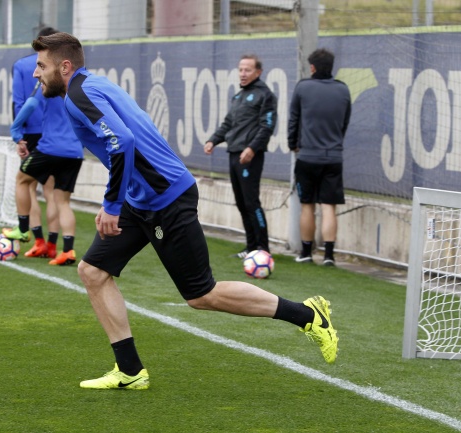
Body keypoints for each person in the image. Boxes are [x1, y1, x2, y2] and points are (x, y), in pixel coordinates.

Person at [31, 32, 337, 390]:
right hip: (142, 198)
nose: (36, 73)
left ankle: (308, 315)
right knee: (93, 272)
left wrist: (111, 205)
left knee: (201, 295)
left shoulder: (78, 94)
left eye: (41, 66)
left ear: (65, 67)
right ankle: (130, 370)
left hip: (165, 199)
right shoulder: (89, 86)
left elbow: (122, 141)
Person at [204, 54, 277, 258]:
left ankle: (263, 248)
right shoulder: (239, 97)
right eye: (241, 69)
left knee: (251, 202)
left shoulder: (265, 95)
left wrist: (252, 149)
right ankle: (250, 247)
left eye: (247, 70)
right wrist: (213, 140)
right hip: (234, 153)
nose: (243, 74)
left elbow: (267, 126)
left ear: (258, 72)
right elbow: (228, 123)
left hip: (250, 156)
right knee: (242, 202)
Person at [6, 84, 85, 266]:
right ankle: (67, 251)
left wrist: (16, 133)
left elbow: (30, 105)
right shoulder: (82, 86)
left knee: (22, 180)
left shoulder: (51, 84)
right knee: (62, 201)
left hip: (50, 148)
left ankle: (23, 229)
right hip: (74, 152)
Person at [288, 48, 351, 266]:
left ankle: (306, 253)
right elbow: (344, 123)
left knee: (307, 204)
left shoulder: (303, 87)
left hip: (307, 156)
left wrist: (292, 144)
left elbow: (293, 119)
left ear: (312, 67)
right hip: (333, 157)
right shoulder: (343, 90)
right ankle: (329, 256)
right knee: (328, 205)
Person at [11, 27, 60, 258]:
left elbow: (20, 102)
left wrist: (18, 134)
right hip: (54, 133)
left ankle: (36, 239)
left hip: (31, 132)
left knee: (27, 185)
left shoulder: (22, 65)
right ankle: (53, 245)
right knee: (52, 191)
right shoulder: (61, 65)